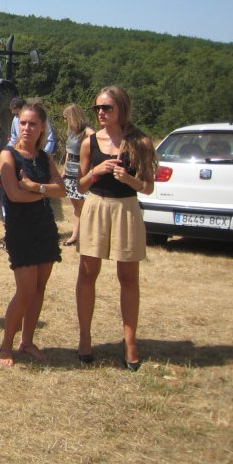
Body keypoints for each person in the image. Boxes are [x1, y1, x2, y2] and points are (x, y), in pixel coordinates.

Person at [75, 86, 156, 371]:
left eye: (107, 108)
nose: (100, 112)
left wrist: (128, 179)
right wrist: (95, 172)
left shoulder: (140, 142)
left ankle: (130, 343)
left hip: (126, 209)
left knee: (128, 278)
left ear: (121, 108)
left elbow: (148, 187)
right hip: (96, 207)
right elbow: (79, 186)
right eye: (97, 108)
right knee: (87, 274)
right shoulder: (89, 142)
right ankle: (85, 338)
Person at [0, 102, 65, 366]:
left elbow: (62, 191)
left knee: (39, 288)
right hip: (21, 228)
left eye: (32, 123)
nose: (26, 128)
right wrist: (45, 193)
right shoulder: (8, 155)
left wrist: (35, 187)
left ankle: (27, 341)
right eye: (23, 123)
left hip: (44, 227)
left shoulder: (44, 158)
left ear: (42, 127)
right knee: (25, 290)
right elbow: (14, 194)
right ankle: (5, 345)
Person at [61, 103, 94, 246]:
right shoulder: (71, 133)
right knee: (76, 206)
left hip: (81, 173)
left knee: (84, 206)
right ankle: (75, 235)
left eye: (66, 118)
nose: (65, 121)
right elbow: (68, 153)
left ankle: (83, 235)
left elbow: (97, 145)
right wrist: (63, 171)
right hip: (69, 172)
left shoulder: (87, 131)